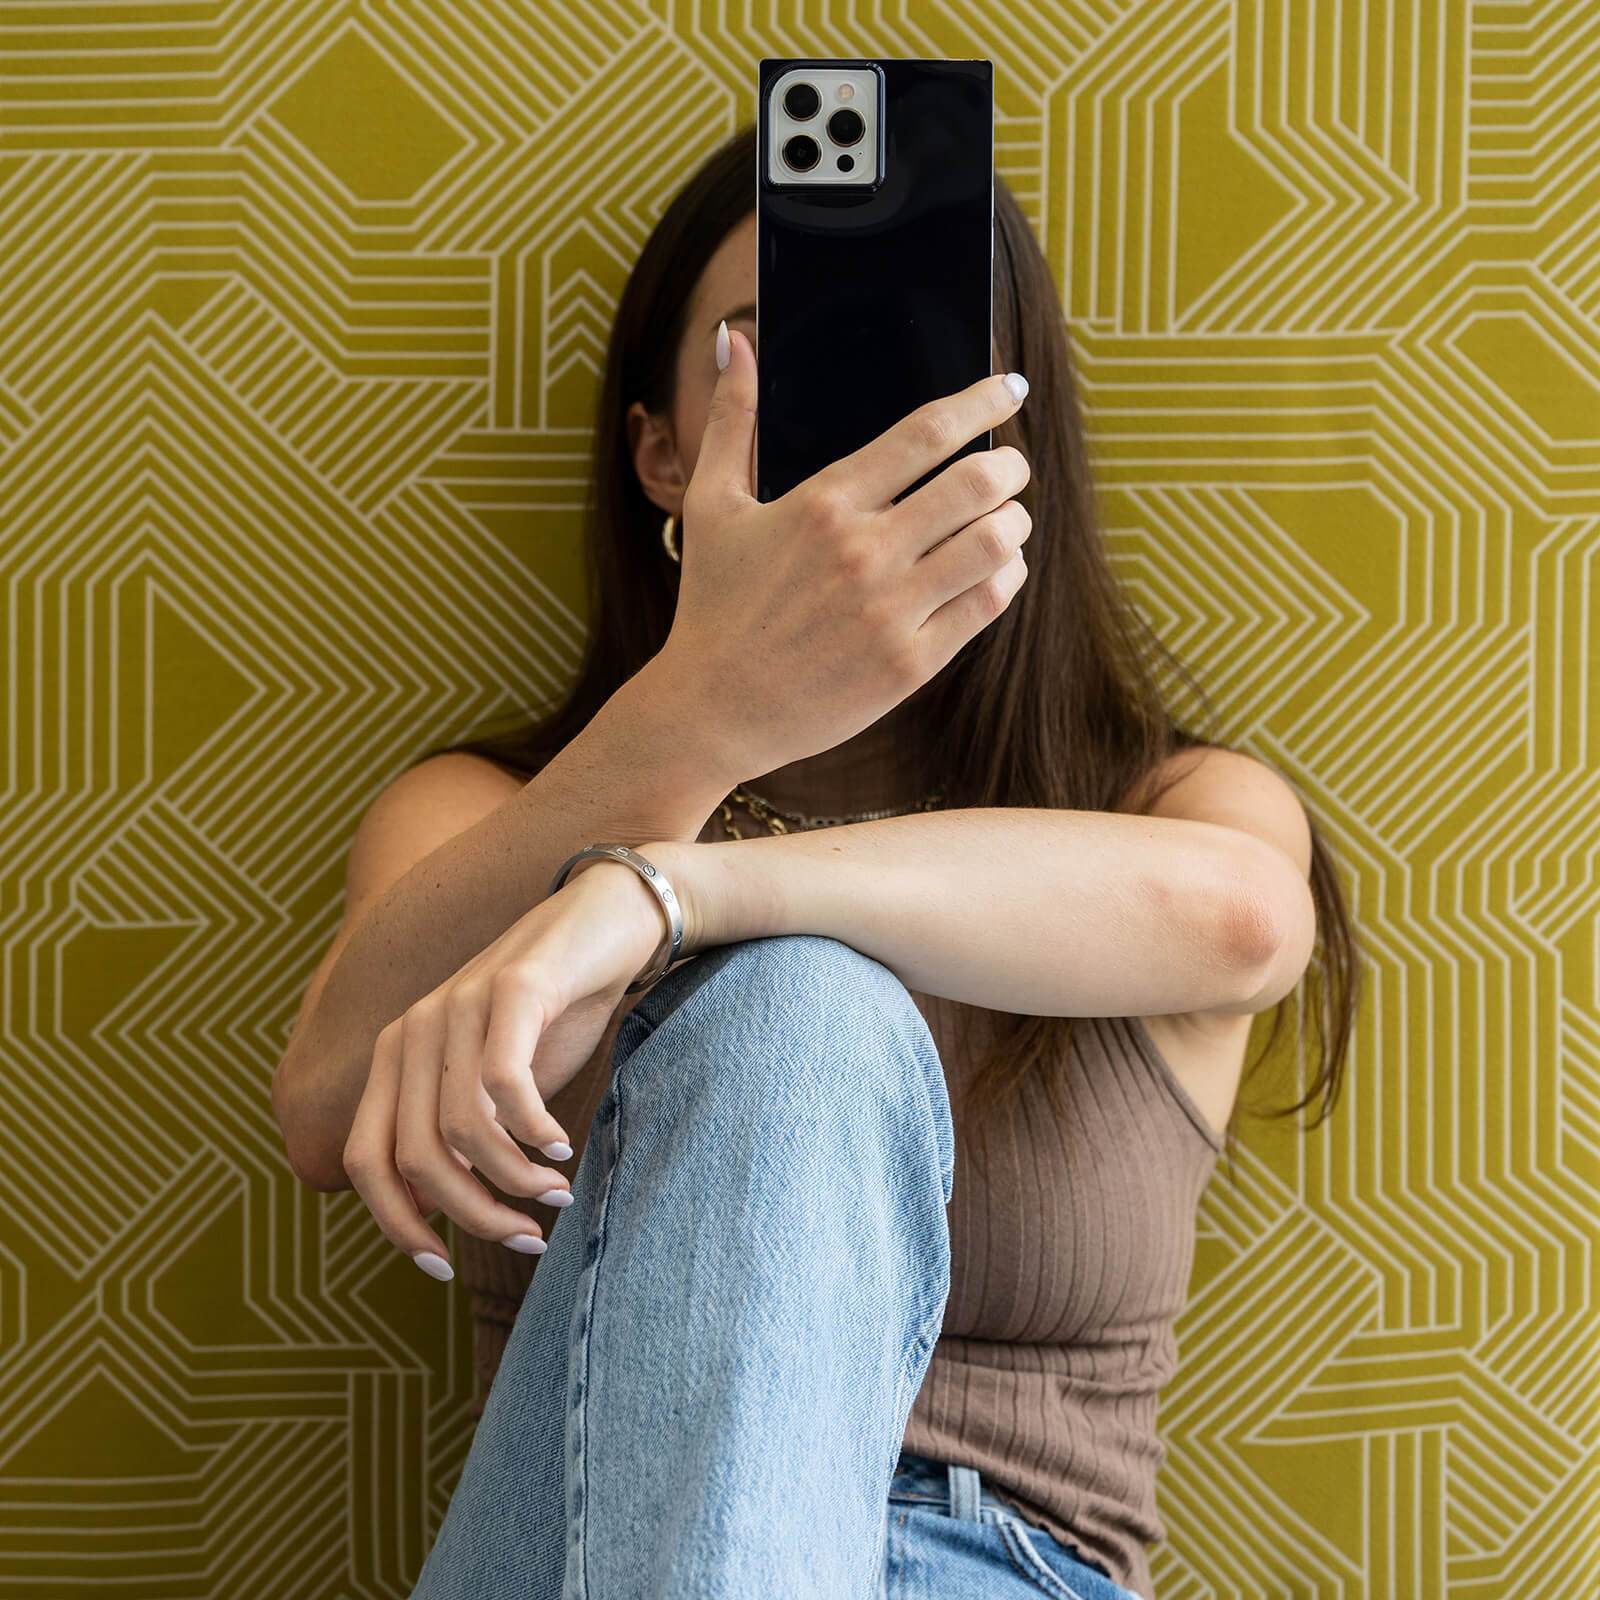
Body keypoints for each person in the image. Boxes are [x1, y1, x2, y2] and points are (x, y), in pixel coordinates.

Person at [271, 122, 1361, 1600]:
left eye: (904, 356)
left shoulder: (1166, 804)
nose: (850, 411)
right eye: (764, 347)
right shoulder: (485, 807)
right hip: (586, 1542)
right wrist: (704, 717)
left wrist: (662, 898)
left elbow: (1241, 922)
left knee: (798, 997)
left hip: (989, 1555)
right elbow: (328, 1113)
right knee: (792, 1014)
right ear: (662, 450)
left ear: (1005, 442)